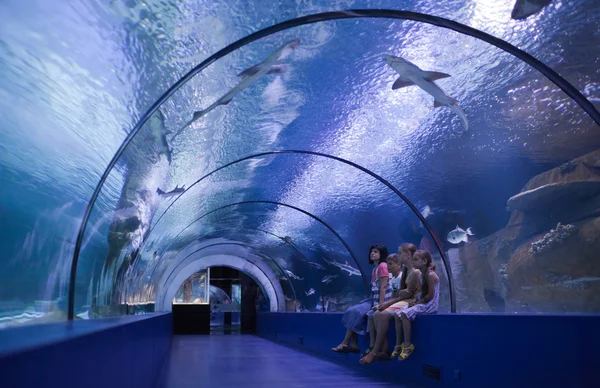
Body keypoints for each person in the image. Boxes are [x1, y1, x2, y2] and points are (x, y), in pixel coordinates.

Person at [359, 243, 420, 364]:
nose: (398, 255)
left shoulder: (414, 271)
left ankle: (374, 351)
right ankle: (382, 349)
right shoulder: (406, 271)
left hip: (410, 302)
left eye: (400, 253)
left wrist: (388, 303)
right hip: (403, 300)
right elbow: (399, 294)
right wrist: (385, 304)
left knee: (382, 314)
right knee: (377, 314)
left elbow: (407, 294)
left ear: (408, 255)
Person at [331, 244, 389, 354]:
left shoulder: (382, 266)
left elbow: (384, 286)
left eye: (376, 251)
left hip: (382, 301)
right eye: (372, 251)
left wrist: (381, 304)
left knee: (356, 311)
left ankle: (346, 342)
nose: (372, 253)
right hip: (373, 299)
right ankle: (352, 344)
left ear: (382, 254)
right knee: (352, 311)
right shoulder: (375, 269)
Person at [397, 250, 440, 360]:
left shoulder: (430, 275)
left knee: (404, 314)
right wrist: (415, 301)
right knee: (397, 314)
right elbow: (422, 293)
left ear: (424, 261)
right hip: (423, 301)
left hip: (430, 305)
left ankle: (407, 345)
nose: (413, 262)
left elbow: (430, 296)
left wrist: (417, 303)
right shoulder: (421, 275)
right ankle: (398, 343)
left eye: (416, 259)